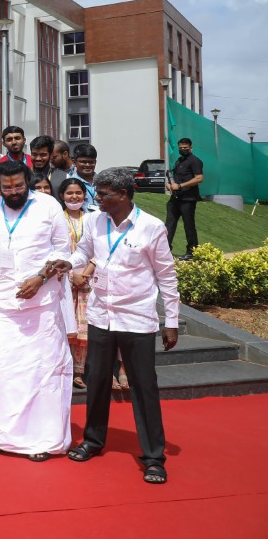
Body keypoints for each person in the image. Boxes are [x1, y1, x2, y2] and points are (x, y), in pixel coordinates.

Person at [66, 167, 181, 484]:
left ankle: (154, 456)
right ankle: (92, 440)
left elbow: (166, 276)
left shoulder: (151, 227)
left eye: (103, 194)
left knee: (144, 386)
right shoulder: (94, 220)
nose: (97, 198)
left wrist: (171, 321)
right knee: (97, 380)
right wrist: (69, 263)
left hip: (137, 317)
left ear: (123, 195)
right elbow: (84, 252)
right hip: (101, 314)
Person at [0, 161, 75, 461]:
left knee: (41, 371)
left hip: (41, 303)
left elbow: (62, 250)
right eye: (7, 187)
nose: (13, 191)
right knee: (1, 370)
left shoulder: (47, 206)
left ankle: (44, 440)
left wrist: (41, 278)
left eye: (19, 185)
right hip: (3, 303)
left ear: (27, 181)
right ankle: (3, 435)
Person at [58, 178, 94, 389]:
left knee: (83, 327)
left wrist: (85, 275)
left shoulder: (91, 220)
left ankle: (79, 371)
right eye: (69, 193)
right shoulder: (57, 220)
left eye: (78, 193)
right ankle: (64, 368)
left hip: (87, 279)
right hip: (62, 278)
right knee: (63, 325)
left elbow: (97, 249)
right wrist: (71, 274)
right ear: (62, 196)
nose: (74, 197)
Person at [165, 137, 204, 259]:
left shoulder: (195, 161)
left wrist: (180, 186)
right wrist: (170, 185)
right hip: (175, 198)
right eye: (181, 148)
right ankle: (165, 250)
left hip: (188, 199)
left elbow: (199, 178)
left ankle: (192, 252)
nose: (183, 150)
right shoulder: (179, 161)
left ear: (191, 148)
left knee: (189, 225)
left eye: (185, 148)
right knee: (169, 224)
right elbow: (175, 178)